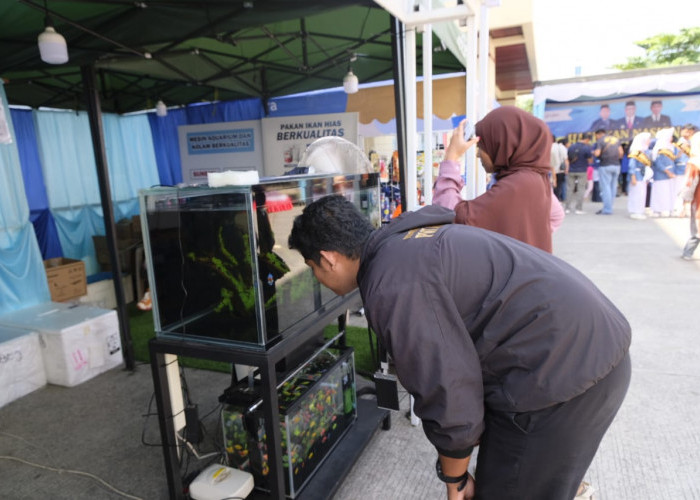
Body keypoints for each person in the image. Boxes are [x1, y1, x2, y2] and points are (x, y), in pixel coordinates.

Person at [288, 195, 631, 500]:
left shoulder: (391, 283)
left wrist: (453, 477)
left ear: (328, 259)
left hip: (563, 377)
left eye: (311, 268)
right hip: (589, 345)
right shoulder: (410, 242)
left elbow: (448, 392)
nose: (316, 277)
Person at [433, 106, 559, 253]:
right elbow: (556, 215)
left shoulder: (519, 184)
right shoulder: (535, 178)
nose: (478, 154)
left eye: (482, 146)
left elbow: (450, 215)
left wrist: (451, 157)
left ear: (503, 144)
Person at [593, 129, 623, 215]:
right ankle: (610, 206)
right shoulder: (616, 140)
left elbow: (597, 154)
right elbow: (621, 153)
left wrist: (595, 152)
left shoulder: (600, 141)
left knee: (605, 188)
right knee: (613, 187)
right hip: (616, 165)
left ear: (599, 134)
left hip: (605, 165)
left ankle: (607, 209)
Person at [650, 127, 678, 217]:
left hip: (671, 174)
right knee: (660, 193)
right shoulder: (660, 148)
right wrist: (667, 172)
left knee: (670, 193)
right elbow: (658, 163)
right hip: (661, 175)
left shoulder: (671, 147)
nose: (671, 138)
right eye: (670, 136)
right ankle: (658, 210)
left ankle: (669, 209)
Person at [681, 131, 700, 260]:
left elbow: (690, 183)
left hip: (698, 201)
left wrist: (685, 203)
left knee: (697, 229)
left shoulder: (695, 162)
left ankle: (688, 252)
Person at [566, 133, 594, 214]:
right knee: (581, 189)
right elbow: (590, 161)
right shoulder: (586, 148)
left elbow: (568, 158)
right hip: (582, 170)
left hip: (571, 170)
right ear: (587, 139)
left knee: (569, 189)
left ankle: (567, 208)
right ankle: (578, 208)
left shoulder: (571, 146)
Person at [626, 132, 652, 219]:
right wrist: (633, 177)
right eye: (648, 140)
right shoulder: (635, 152)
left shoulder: (643, 152)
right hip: (637, 176)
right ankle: (635, 211)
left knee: (641, 194)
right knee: (636, 194)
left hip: (642, 176)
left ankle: (639, 211)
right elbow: (631, 166)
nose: (649, 141)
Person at [550, 135, 569, 201]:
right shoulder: (561, 147)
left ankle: (554, 202)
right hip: (561, 170)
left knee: (552, 188)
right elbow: (566, 159)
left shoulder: (549, 147)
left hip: (552, 171)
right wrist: (566, 169)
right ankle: (559, 200)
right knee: (559, 187)